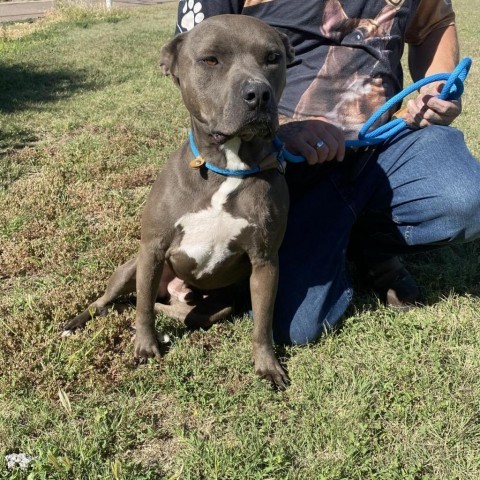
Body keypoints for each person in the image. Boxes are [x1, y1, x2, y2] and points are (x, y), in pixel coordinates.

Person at [172, 0, 480, 344]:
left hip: (382, 145)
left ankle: (371, 248)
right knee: (295, 327)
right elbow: (193, 62)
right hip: (282, 163)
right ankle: (325, 239)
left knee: (464, 197)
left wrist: (433, 88)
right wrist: (278, 131)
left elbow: (432, 26)